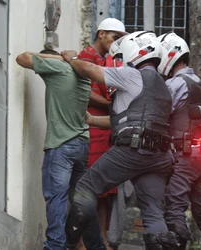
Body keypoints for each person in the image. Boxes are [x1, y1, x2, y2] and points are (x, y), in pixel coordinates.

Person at [62, 31, 178, 250]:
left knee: (85, 187)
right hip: (159, 157)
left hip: (132, 151)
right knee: (153, 214)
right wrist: (93, 120)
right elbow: (131, 120)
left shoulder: (132, 75)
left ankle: (68, 245)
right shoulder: (164, 86)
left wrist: (71, 58)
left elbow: (88, 70)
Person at [15, 50, 106, 250]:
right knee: (82, 200)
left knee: (57, 198)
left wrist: (56, 58)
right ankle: (97, 246)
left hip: (61, 145)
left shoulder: (58, 68)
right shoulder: (82, 76)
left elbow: (21, 58)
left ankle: (55, 246)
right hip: (81, 144)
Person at [157, 32, 201, 249]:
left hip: (184, 156)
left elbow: (161, 113)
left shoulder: (175, 84)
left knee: (174, 207)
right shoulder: (197, 81)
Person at [77, 18, 127, 250]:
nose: (117, 43)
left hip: (106, 131)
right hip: (91, 129)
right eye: (114, 38)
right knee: (88, 189)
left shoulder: (108, 60)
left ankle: (103, 240)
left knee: (106, 191)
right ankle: (80, 242)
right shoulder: (87, 56)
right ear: (101, 34)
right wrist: (111, 107)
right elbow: (83, 93)